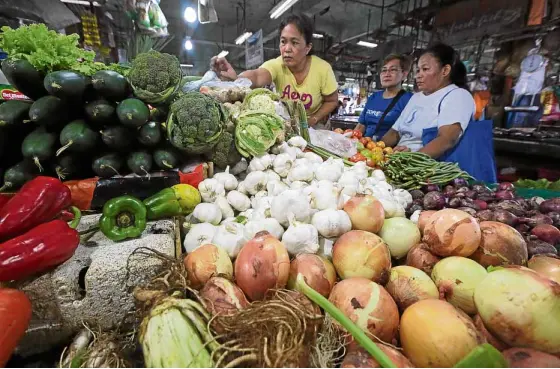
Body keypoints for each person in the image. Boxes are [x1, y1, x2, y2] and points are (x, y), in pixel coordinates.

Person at [381, 43, 496, 182]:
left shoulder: (457, 95)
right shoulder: (416, 97)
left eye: (425, 69)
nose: (418, 76)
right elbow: (395, 132)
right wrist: (374, 149)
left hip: (428, 173)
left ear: (445, 70)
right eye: (418, 70)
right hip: (399, 165)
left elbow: (447, 139)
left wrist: (410, 160)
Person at [211, 14, 338, 127]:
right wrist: (237, 78)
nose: (287, 49)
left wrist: (314, 119)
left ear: (307, 48)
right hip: (288, 125)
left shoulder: (323, 69)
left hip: (315, 127)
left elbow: (332, 101)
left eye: (294, 43)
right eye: (283, 42)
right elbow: (257, 76)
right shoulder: (278, 64)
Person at [355, 54, 413, 140]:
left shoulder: (409, 100)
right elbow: (361, 126)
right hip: (365, 147)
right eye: (384, 70)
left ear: (404, 75)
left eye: (392, 70)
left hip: (388, 150)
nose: (387, 74)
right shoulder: (374, 97)